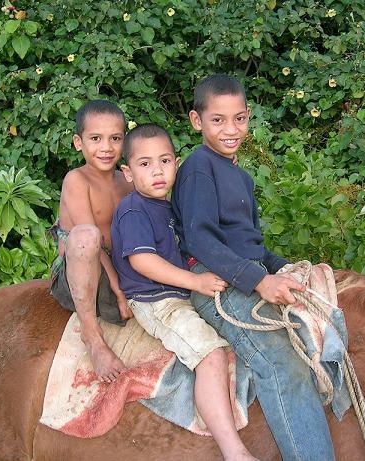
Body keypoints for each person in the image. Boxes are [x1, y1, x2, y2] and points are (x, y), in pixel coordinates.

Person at [171, 74, 336, 461]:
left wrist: (285, 267)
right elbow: (199, 240)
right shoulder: (198, 167)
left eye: (240, 118)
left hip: (242, 276)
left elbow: (250, 244)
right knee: (284, 366)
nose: (231, 130)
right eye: (218, 120)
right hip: (219, 289)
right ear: (197, 121)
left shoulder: (241, 177)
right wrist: (259, 280)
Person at [111, 123, 259, 461]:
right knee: (211, 354)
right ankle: (233, 450)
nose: (157, 171)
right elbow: (143, 261)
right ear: (128, 172)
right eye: (145, 164)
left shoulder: (168, 205)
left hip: (177, 293)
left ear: (176, 163)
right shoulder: (134, 208)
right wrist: (195, 282)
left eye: (164, 161)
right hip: (157, 301)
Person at [49, 99, 134, 384]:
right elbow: (91, 243)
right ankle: (92, 337)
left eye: (115, 139)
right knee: (86, 236)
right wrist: (118, 289)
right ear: (78, 142)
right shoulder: (76, 179)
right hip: (83, 272)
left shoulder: (127, 179)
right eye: (95, 139)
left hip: (121, 265)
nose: (106, 148)